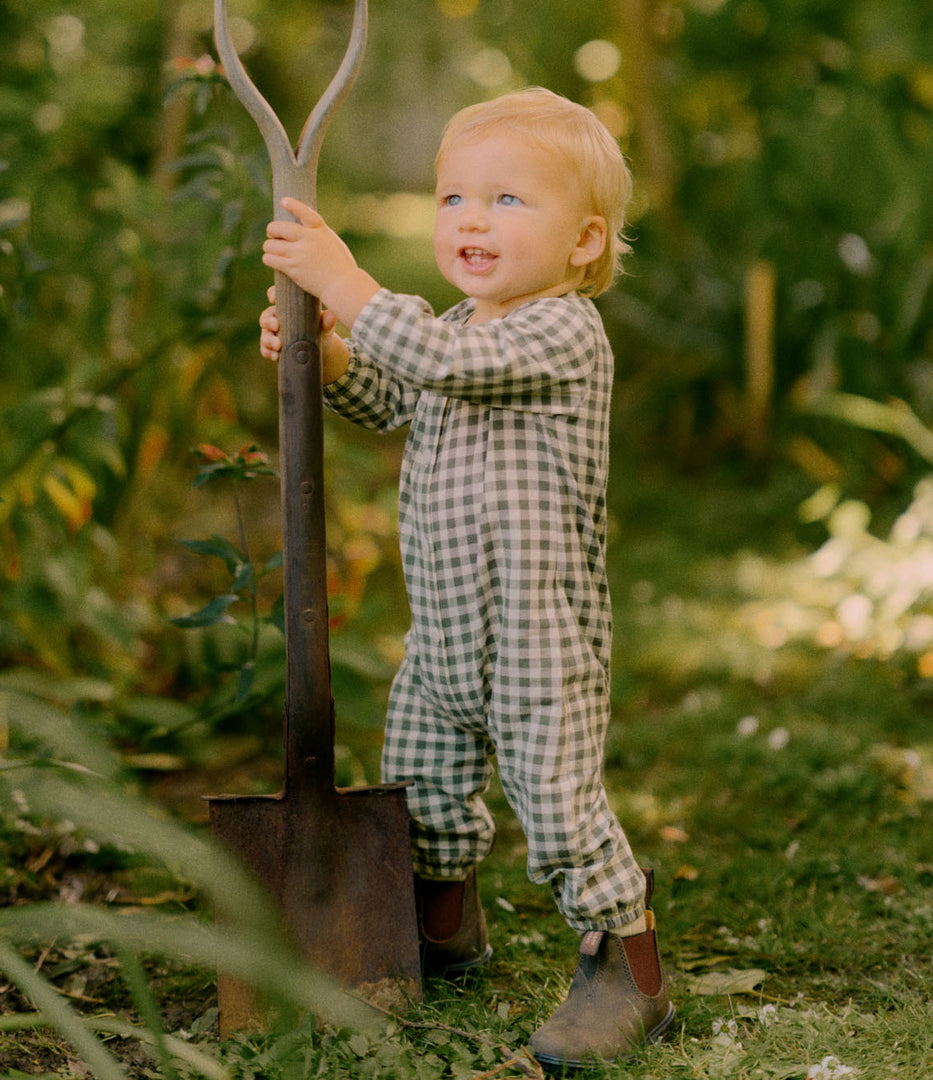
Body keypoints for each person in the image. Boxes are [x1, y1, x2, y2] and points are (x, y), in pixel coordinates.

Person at [259, 86, 674, 1068]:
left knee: (562, 814)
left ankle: (633, 977)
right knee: (423, 797)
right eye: (454, 199)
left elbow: (443, 362)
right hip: (446, 640)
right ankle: (441, 931)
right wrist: (327, 358)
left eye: (508, 200)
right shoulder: (457, 323)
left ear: (583, 242)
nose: (472, 218)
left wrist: (348, 283)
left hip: (539, 644)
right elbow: (393, 389)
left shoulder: (563, 331)